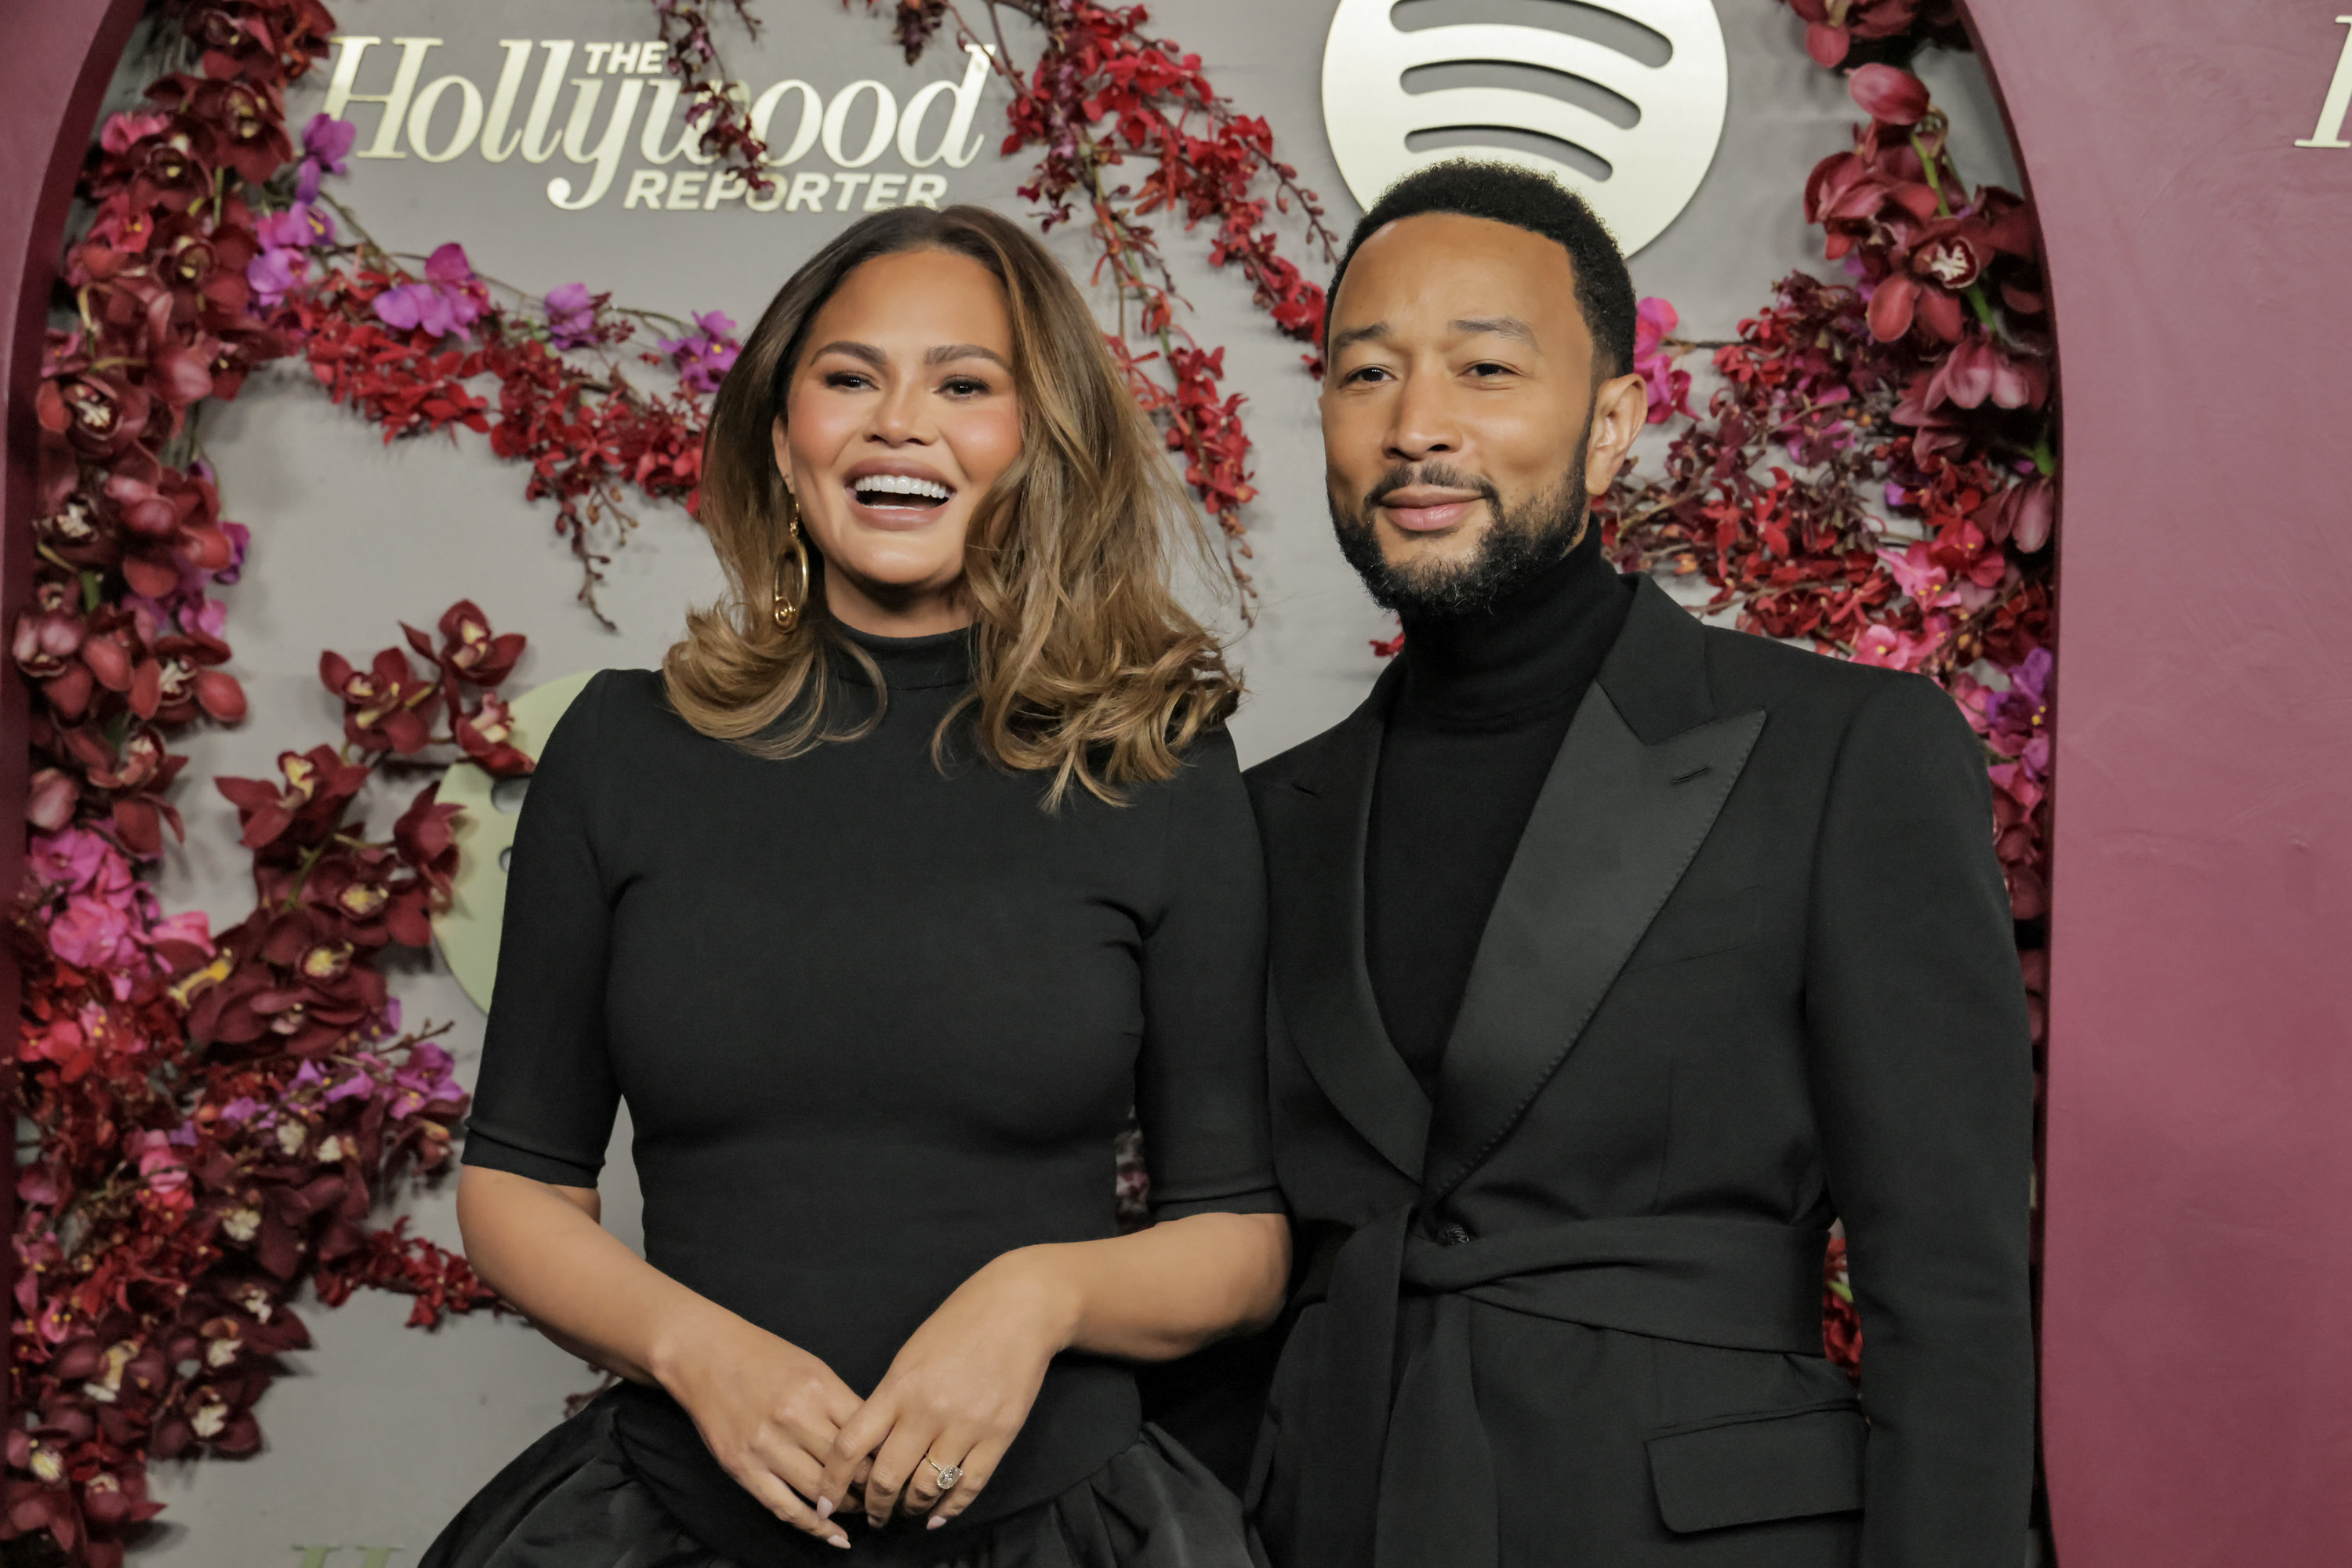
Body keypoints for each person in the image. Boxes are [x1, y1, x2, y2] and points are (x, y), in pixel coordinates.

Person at [423, 205, 1288, 1568]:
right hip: (674, 1521)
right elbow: (518, 1188)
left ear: (1038, 443)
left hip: (1059, 1524)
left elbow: (1236, 1243)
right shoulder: (622, 746)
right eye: (848, 378)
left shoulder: (1157, 767)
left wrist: (1037, 1299)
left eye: (964, 384)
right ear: (783, 438)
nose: (901, 422)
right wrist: (695, 1351)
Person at [1243, 160, 2035, 1566]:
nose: (1417, 426)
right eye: (1365, 376)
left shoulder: (1848, 754)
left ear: (1613, 424)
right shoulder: (1262, 819)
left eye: (1485, 369)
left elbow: (1953, 1297)